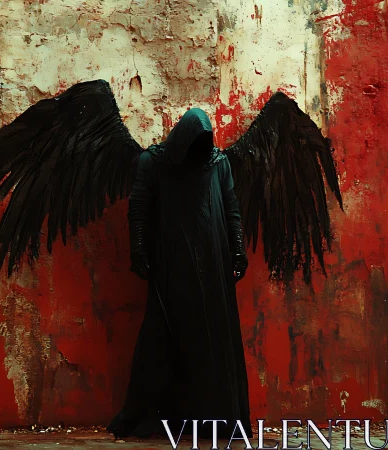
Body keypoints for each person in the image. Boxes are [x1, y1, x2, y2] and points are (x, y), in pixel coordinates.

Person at [108, 108, 252, 439]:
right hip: (170, 266)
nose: (200, 148)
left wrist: (238, 251)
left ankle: (213, 422)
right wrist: (140, 250)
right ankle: (154, 419)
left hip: (213, 266)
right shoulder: (154, 163)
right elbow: (139, 207)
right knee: (161, 338)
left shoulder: (218, 164)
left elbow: (231, 209)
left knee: (213, 341)